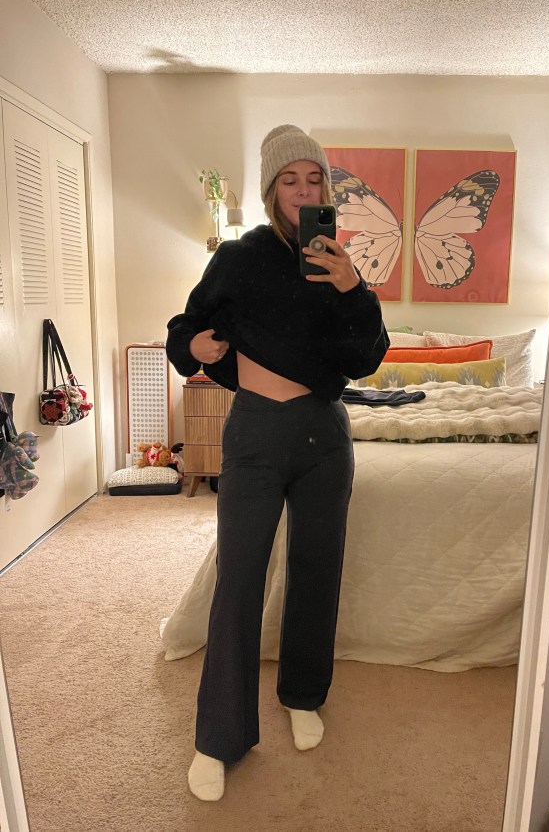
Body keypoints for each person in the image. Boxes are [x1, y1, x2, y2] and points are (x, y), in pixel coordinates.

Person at [166, 123, 389, 801]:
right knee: (239, 579)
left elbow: (366, 359)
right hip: (256, 433)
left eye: (314, 179)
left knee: (317, 571)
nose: (303, 190)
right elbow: (185, 326)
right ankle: (219, 736)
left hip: (325, 435)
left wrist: (354, 289)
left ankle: (303, 694)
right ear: (272, 189)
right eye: (290, 179)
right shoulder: (238, 256)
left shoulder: (340, 263)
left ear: (327, 190)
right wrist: (195, 348)